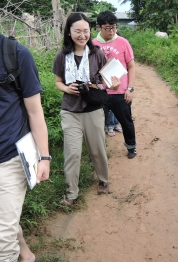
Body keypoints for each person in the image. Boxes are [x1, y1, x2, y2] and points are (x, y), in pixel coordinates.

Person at [52, 13, 120, 206]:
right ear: (69, 32)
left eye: (86, 31)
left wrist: (112, 85)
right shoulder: (62, 55)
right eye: (77, 31)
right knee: (72, 153)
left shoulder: (97, 53)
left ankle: (103, 180)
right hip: (70, 111)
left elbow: (104, 79)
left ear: (90, 31)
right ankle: (71, 193)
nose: (82, 35)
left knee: (97, 149)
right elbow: (58, 82)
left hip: (93, 109)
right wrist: (66, 88)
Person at [0, 34, 50, 262]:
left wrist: (44, 157)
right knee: (4, 220)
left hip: (9, 158)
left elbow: (34, 111)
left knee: (2, 243)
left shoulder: (17, 55)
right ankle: (26, 254)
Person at [93, 11, 137, 159]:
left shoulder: (123, 42)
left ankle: (131, 147)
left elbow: (131, 66)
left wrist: (130, 89)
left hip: (121, 92)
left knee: (126, 121)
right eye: (107, 28)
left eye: (113, 27)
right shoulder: (93, 45)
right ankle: (97, 153)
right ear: (99, 27)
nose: (111, 31)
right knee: (97, 126)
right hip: (101, 93)